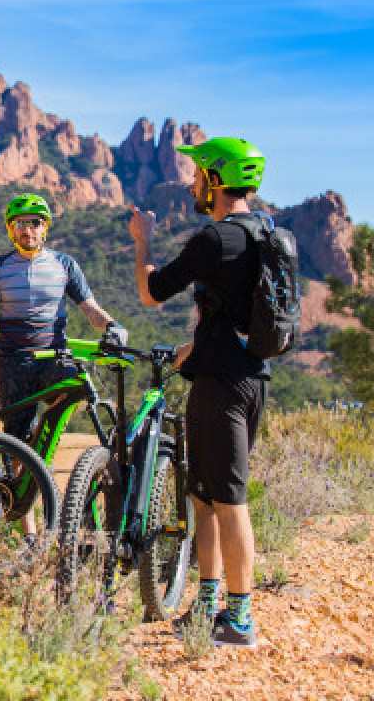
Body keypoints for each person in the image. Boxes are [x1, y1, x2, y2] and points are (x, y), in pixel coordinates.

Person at [129, 136, 270, 648]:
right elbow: (235, 312)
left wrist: (142, 239)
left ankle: (240, 620)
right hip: (250, 379)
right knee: (203, 497)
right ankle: (207, 606)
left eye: (197, 175)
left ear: (214, 180)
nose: (192, 182)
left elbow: (151, 291)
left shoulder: (215, 239)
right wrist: (195, 347)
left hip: (221, 389)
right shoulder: (265, 234)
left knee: (227, 500)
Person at [0, 192, 127, 543]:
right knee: (16, 444)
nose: (29, 229)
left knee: (73, 390)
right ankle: (31, 536)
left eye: (35, 223)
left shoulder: (65, 264)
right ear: (11, 229)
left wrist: (113, 325)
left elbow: (90, 309)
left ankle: (57, 460)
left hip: (53, 356)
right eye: (21, 223)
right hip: (14, 362)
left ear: (45, 228)